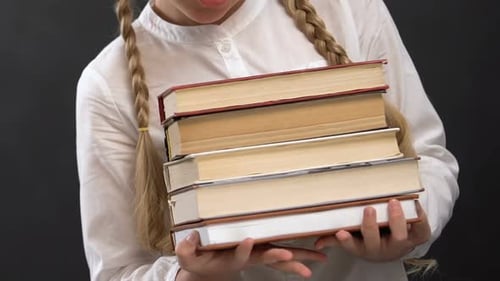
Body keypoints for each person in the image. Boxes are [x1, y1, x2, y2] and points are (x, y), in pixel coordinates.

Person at [76, 0, 460, 280]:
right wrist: (191, 276)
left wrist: (411, 224)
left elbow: (429, 158)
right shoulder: (107, 85)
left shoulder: (347, 8)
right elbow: (118, 271)